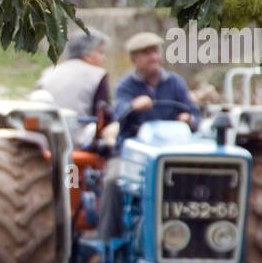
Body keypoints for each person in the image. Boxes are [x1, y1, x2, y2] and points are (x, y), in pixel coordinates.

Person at [97, 32, 202, 240]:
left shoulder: (175, 83)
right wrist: (133, 106)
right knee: (113, 181)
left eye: (155, 51)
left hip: (172, 153)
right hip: (134, 154)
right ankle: (107, 242)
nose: (153, 57)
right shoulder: (126, 85)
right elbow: (120, 112)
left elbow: (195, 114)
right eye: (147, 53)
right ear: (134, 59)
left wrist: (188, 118)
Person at [34, 30, 112, 125]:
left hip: (46, 131)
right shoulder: (97, 75)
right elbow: (104, 117)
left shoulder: (48, 72)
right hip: (78, 134)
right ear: (87, 55)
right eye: (100, 52)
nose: (104, 58)